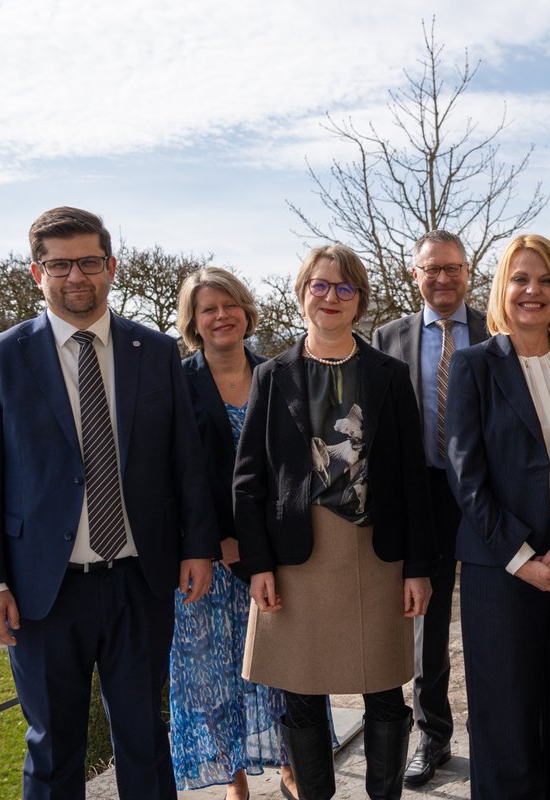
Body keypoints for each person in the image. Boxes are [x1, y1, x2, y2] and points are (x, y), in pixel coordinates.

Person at [0, 206, 219, 799]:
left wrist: (198, 546)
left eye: (90, 262)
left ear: (111, 266)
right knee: (52, 748)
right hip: (41, 593)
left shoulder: (154, 351)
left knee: (146, 741)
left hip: (139, 581)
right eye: (61, 264)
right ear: (35, 272)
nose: (78, 276)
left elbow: (185, 462)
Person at [233, 244, 437, 800]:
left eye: (344, 288)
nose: (331, 297)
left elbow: (412, 479)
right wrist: (257, 567)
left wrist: (418, 567)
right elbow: (249, 482)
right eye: (320, 286)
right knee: (301, 693)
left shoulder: (389, 375)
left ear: (359, 302)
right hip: (298, 557)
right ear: (302, 294)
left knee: (383, 691)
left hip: (376, 556)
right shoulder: (273, 376)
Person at [444, 233, 550, 799]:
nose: (533, 291)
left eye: (546, 280)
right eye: (521, 278)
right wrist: (520, 558)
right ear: (502, 288)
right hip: (501, 567)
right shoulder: (472, 366)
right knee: (505, 723)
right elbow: (465, 475)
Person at [170, 267, 305, 799]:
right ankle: (236, 780)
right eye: (208, 309)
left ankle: (293, 764)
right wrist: (213, 542)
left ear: (247, 312)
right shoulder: (176, 384)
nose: (221, 316)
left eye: (230, 305)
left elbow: (296, 471)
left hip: (273, 553)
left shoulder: (282, 375)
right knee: (212, 678)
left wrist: (260, 543)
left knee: (282, 668)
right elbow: (172, 474)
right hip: (205, 557)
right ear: (194, 323)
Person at [371, 229, 489, 788]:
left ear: (469, 272)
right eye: (431, 269)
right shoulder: (387, 336)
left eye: (453, 268)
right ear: (414, 274)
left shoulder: (499, 328)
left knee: (496, 619)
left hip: (489, 494)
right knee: (426, 624)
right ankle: (432, 734)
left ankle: (499, 732)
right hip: (421, 494)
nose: (442, 278)